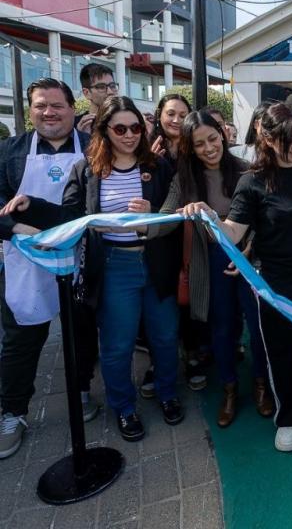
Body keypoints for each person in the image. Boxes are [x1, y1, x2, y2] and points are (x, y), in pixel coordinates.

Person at [181, 103, 292, 456]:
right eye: (288, 141)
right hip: (273, 287)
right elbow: (233, 233)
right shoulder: (252, 181)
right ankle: (288, 418)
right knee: (279, 355)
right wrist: (207, 216)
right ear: (267, 140)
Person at [4, 96, 183, 442]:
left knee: (164, 336)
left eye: (135, 127)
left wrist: (150, 215)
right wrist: (32, 207)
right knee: (117, 344)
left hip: (156, 262)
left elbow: (170, 216)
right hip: (114, 265)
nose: (130, 135)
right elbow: (71, 215)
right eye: (120, 128)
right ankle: (124, 406)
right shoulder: (87, 169)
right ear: (105, 130)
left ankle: (167, 393)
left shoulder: (158, 167)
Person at [149, 110, 273, 428]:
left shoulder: (246, 170)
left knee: (259, 326)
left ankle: (261, 385)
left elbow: (265, 218)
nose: (209, 148)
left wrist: (251, 246)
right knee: (222, 329)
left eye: (213, 139)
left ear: (224, 135)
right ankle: (229, 389)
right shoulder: (184, 178)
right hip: (212, 261)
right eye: (200, 143)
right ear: (190, 147)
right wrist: (141, 217)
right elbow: (164, 221)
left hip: (248, 258)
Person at [0, 78, 89, 459]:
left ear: (72, 109)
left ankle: (81, 389)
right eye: (40, 106)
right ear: (30, 109)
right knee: (21, 339)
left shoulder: (94, 148)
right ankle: (12, 411)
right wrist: (19, 228)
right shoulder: (10, 152)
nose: (49, 112)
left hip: (79, 255)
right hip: (24, 258)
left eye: (57, 105)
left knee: (82, 329)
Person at [150, 93, 192, 172]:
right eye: (171, 114)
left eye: (182, 116)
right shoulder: (145, 146)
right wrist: (149, 163)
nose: (176, 120)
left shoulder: (194, 147)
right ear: (159, 115)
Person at [75, 63, 118, 133]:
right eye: (101, 87)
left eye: (112, 86)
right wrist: (81, 137)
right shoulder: (75, 126)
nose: (110, 92)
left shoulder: (127, 121)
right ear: (87, 93)